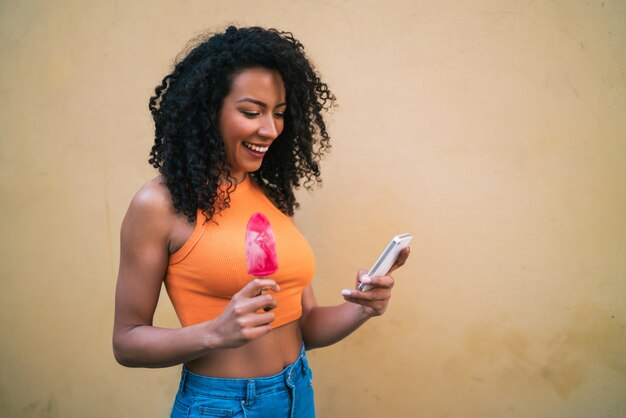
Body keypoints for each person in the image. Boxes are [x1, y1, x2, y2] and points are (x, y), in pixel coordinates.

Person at [112, 26, 410, 418]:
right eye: (252, 112)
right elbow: (127, 342)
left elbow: (305, 325)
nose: (270, 130)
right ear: (208, 110)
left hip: (297, 389)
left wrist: (363, 307)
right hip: (224, 405)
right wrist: (214, 333)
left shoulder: (270, 199)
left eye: (280, 114)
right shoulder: (159, 204)